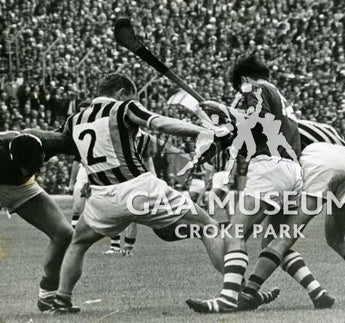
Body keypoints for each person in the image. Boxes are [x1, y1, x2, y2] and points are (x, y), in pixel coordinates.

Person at [46, 73, 226, 314]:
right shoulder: (124, 107)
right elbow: (160, 123)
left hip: (102, 198)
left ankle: (61, 300)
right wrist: (206, 131)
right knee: (208, 226)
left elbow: (61, 145)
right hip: (138, 188)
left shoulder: (74, 120)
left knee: (78, 243)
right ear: (122, 93)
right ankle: (239, 290)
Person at [186, 55, 317, 313]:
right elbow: (248, 134)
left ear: (245, 80)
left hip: (270, 167)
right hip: (292, 171)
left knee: (235, 233)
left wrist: (224, 111)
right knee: (273, 241)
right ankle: (317, 291)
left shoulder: (256, 89)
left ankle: (227, 298)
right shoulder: (278, 96)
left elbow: (258, 121)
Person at [237, 120, 345, 311]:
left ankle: (247, 294)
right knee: (338, 238)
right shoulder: (321, 126)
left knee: (280, 238)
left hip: (316, 162)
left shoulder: (279, 127)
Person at [0, 131, 74, 313]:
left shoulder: (51, 141)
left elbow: (78, 141)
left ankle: (47, 297)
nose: (31, 171)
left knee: (64, 234)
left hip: (23, 189)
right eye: (25, 167)